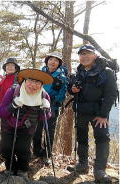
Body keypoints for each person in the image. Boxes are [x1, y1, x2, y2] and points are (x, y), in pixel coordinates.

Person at [67, 45, 117, 183]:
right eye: (82, 54)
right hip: (82, 111)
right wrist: (72, 89)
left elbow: (111, 93)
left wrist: (103, 114)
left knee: (102, 139)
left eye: (87, 53)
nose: (84, 56)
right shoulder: (79, 72)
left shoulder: (106, 72)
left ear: (95, 55)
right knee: (81, 138)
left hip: (99, 113)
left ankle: (99, 170)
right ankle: (83, 165)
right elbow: (71, 89)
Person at [0, 69, 53, 178]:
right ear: (24, 81)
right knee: (6, 148)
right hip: (8, 126)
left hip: (28, 127)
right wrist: (12, 105)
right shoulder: (13, 91)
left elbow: (44, 118)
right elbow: (0, 112)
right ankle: (11, 168)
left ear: (41, 84)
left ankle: (23, 170)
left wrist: (46, 109)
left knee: (23, 149)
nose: (33, 85)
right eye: (30, 81)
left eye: (37, 82)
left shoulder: (44, 96)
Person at [33, 51, 67, 160]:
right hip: (37, 105)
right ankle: (36, 151)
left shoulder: (62, 77)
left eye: (56, 60)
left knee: (49, 131)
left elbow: (63, 93)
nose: (53, 62)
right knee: (36, 129)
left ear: (59, 63)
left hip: (52, 107)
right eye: (51, 59)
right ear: (47, 61)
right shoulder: (39, 73)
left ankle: (47, 153)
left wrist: (53, 101)